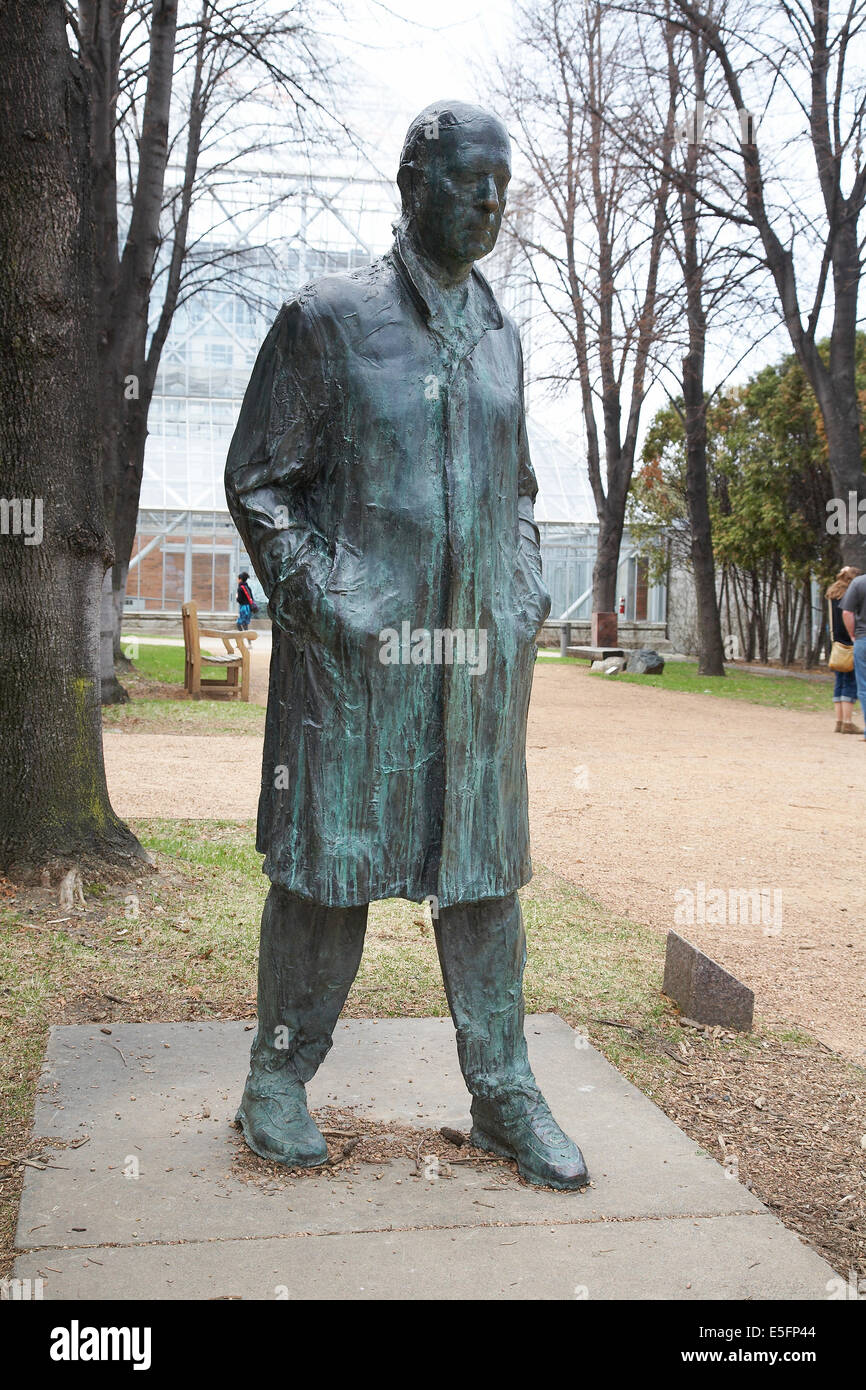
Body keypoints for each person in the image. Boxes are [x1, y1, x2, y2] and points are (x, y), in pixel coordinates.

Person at [225, 100, 588, 1190]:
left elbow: (519, 494)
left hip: (476, 664)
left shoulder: (503, 337)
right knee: (324, 874)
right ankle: (276, 1078)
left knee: (481, 876)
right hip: (354, 667)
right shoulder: (325, 319)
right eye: (468, 179)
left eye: (500, 186)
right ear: (411, 180)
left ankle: (503, 1090)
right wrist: (332, 606)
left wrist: (519, 600)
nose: (487, 201)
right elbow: (258, 483)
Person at [826, 566, 860, 733]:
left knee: (839, 683)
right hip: (849, 643)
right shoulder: (850, 596)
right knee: (850, 683)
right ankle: (848, 722)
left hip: (837, 644)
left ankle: (839, 721)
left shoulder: (833, 595)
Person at [841, 566, 866, 743]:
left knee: (864, 687)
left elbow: (847, 612)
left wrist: (853, 634)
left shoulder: (859, 583)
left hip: (863, 639)